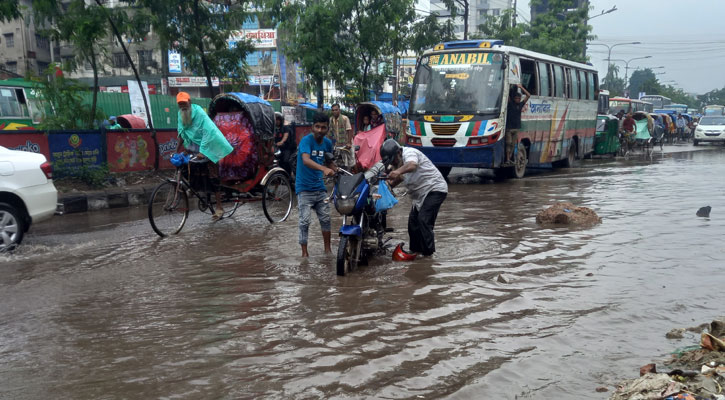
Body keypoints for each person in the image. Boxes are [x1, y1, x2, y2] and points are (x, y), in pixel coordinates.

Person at [381, 139, 447, 257]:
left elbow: (412, 165)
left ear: (399, 153)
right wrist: (387, 186)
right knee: (413, 223)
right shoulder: (401, 164)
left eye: (394, 160)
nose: (394, 163)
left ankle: (428, 255)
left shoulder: (409, 153)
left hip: (434, 189)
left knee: (423, 220)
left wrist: (397, 171)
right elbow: (400, 178)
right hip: (420, 195)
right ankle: (415, 252)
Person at [174, 91, 233, 221]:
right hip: (194, 146)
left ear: (189, 102)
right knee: (188, 168)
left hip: (210, 144)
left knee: (213, 176)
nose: (183, 106)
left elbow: (208, 132)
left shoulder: (199, 113)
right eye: (180, 104)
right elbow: (181, 133)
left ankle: (219, 207)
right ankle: (195, 189)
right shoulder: (180, 115)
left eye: (184, 103)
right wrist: (176, 150)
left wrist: (203, 151)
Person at [296, 112, 337, 257]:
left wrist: (336, 170)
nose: (320, 130)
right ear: (312, 127)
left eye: (323, 127)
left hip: (320, 188)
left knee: (326, 219)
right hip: (304, 188)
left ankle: (328, 250)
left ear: (327, 129)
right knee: (305, 221)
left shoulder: (327, 143)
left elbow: (329, 161)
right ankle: (304, 254)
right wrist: (323, 169)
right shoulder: (306, 141)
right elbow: (306, 160)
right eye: (317, 127)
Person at [505, 84, 530, 164]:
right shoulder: (510, 104)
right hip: (509, 128)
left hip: (516, 128)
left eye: (519, 98)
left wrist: (521, 87)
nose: (518, 100)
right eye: (516, 98)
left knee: (513, 145)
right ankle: (508, 159)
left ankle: (510, 159)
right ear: (514, 98)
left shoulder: (520, 105)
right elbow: (506, 94)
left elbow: (528, 95)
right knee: (508, 143)